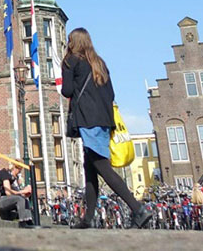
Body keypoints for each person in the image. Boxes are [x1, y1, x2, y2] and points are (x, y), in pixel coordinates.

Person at [62, 27, 151, 229]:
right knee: (90, 168)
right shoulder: (99, 63)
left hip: (87, 120)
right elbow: (111, 93)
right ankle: (88, 218)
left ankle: (138, 210)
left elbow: (67, 90)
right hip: (104, 120)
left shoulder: (71, 61)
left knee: (101, 166)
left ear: (73, 42)